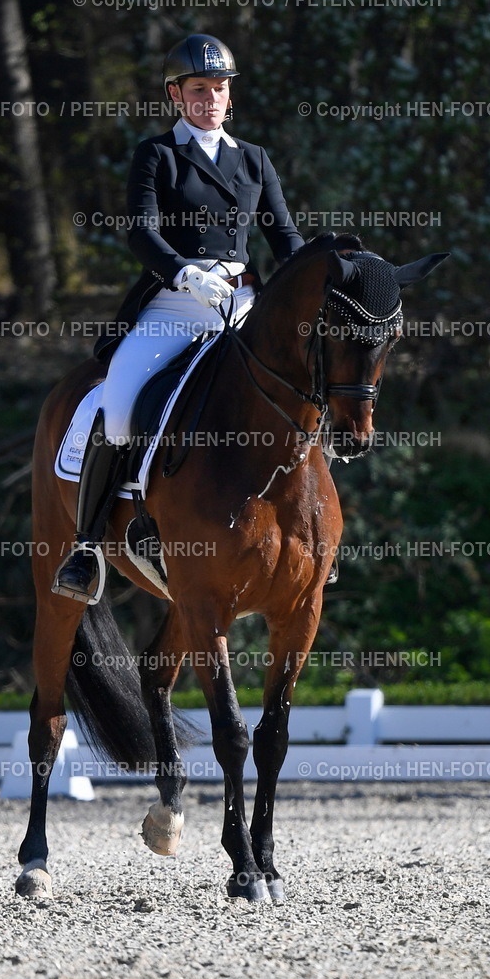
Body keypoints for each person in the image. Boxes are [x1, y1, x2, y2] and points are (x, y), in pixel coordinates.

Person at [53, 33, 304, 602]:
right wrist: (185, 273)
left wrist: (315, 276)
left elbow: (284, 237)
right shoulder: (159, 154)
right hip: (175, 304)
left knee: (304, 399)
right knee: (118, 402)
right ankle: (88, 547)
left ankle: (310, 535)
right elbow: (140, 229)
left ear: (229, 95)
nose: (210, 99)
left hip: (241, 307)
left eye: (219, 89)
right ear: (175, 94)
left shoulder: (254, 159)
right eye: (198, 90)